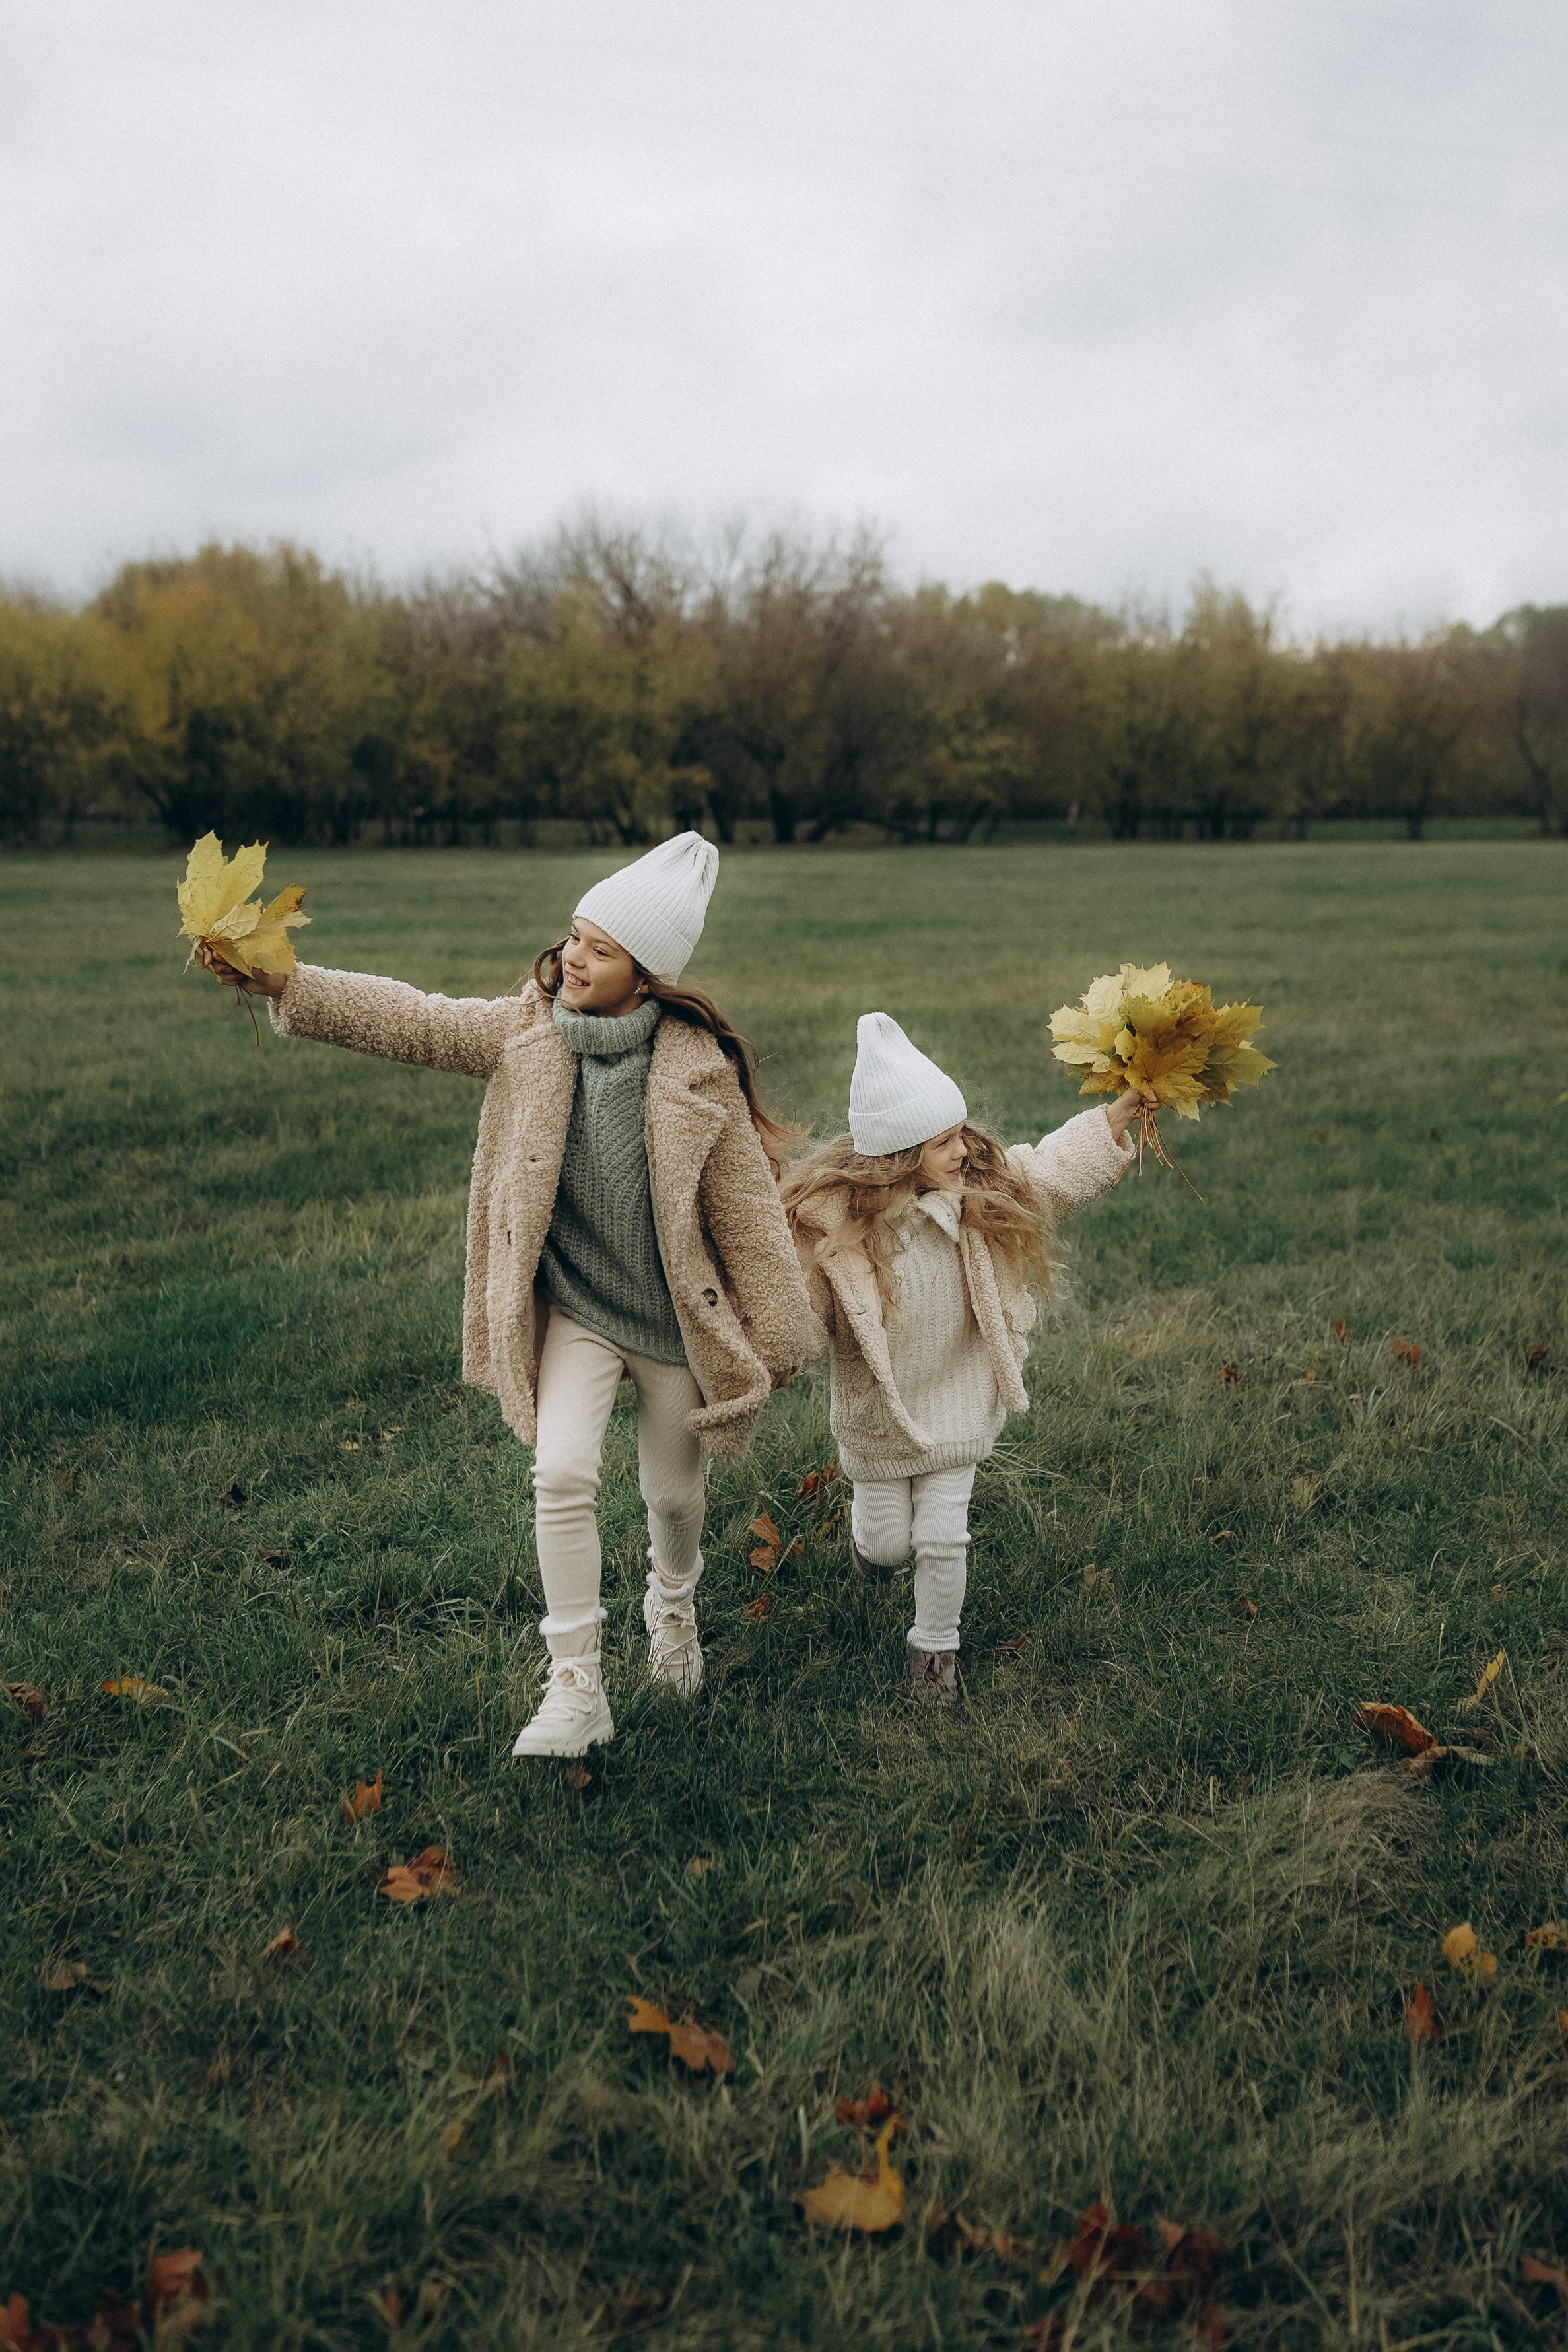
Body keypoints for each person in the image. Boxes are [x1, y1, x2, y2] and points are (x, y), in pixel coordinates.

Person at [201, 835, 822, 1758]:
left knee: (671, 1498)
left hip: (671, 1326)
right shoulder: (524, 1032)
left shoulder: (697, 1071)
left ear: (645, 979)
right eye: (573, 935)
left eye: (600, 950)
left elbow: (745, 1217)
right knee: (562, 1472)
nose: (573, 956)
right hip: (575, 1308)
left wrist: (778, 1333)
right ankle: (575, 1684)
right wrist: (290, 986)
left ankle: (674, 1606)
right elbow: (413, 1019)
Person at [780, 1013, 1152, 1706]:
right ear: (895, 1153)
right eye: (943, 1141)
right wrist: (767, 1351)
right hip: (880, 1416)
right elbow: (797, 1314)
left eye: (958, 1133)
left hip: (957, 1396)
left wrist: (1114, 1117)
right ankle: (868, 1549)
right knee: (890, 1544)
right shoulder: (837, 1234)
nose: (961, 1150)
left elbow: (1050, 1169)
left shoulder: (978, 1196)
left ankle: (934, 1656)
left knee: (945, 1533)